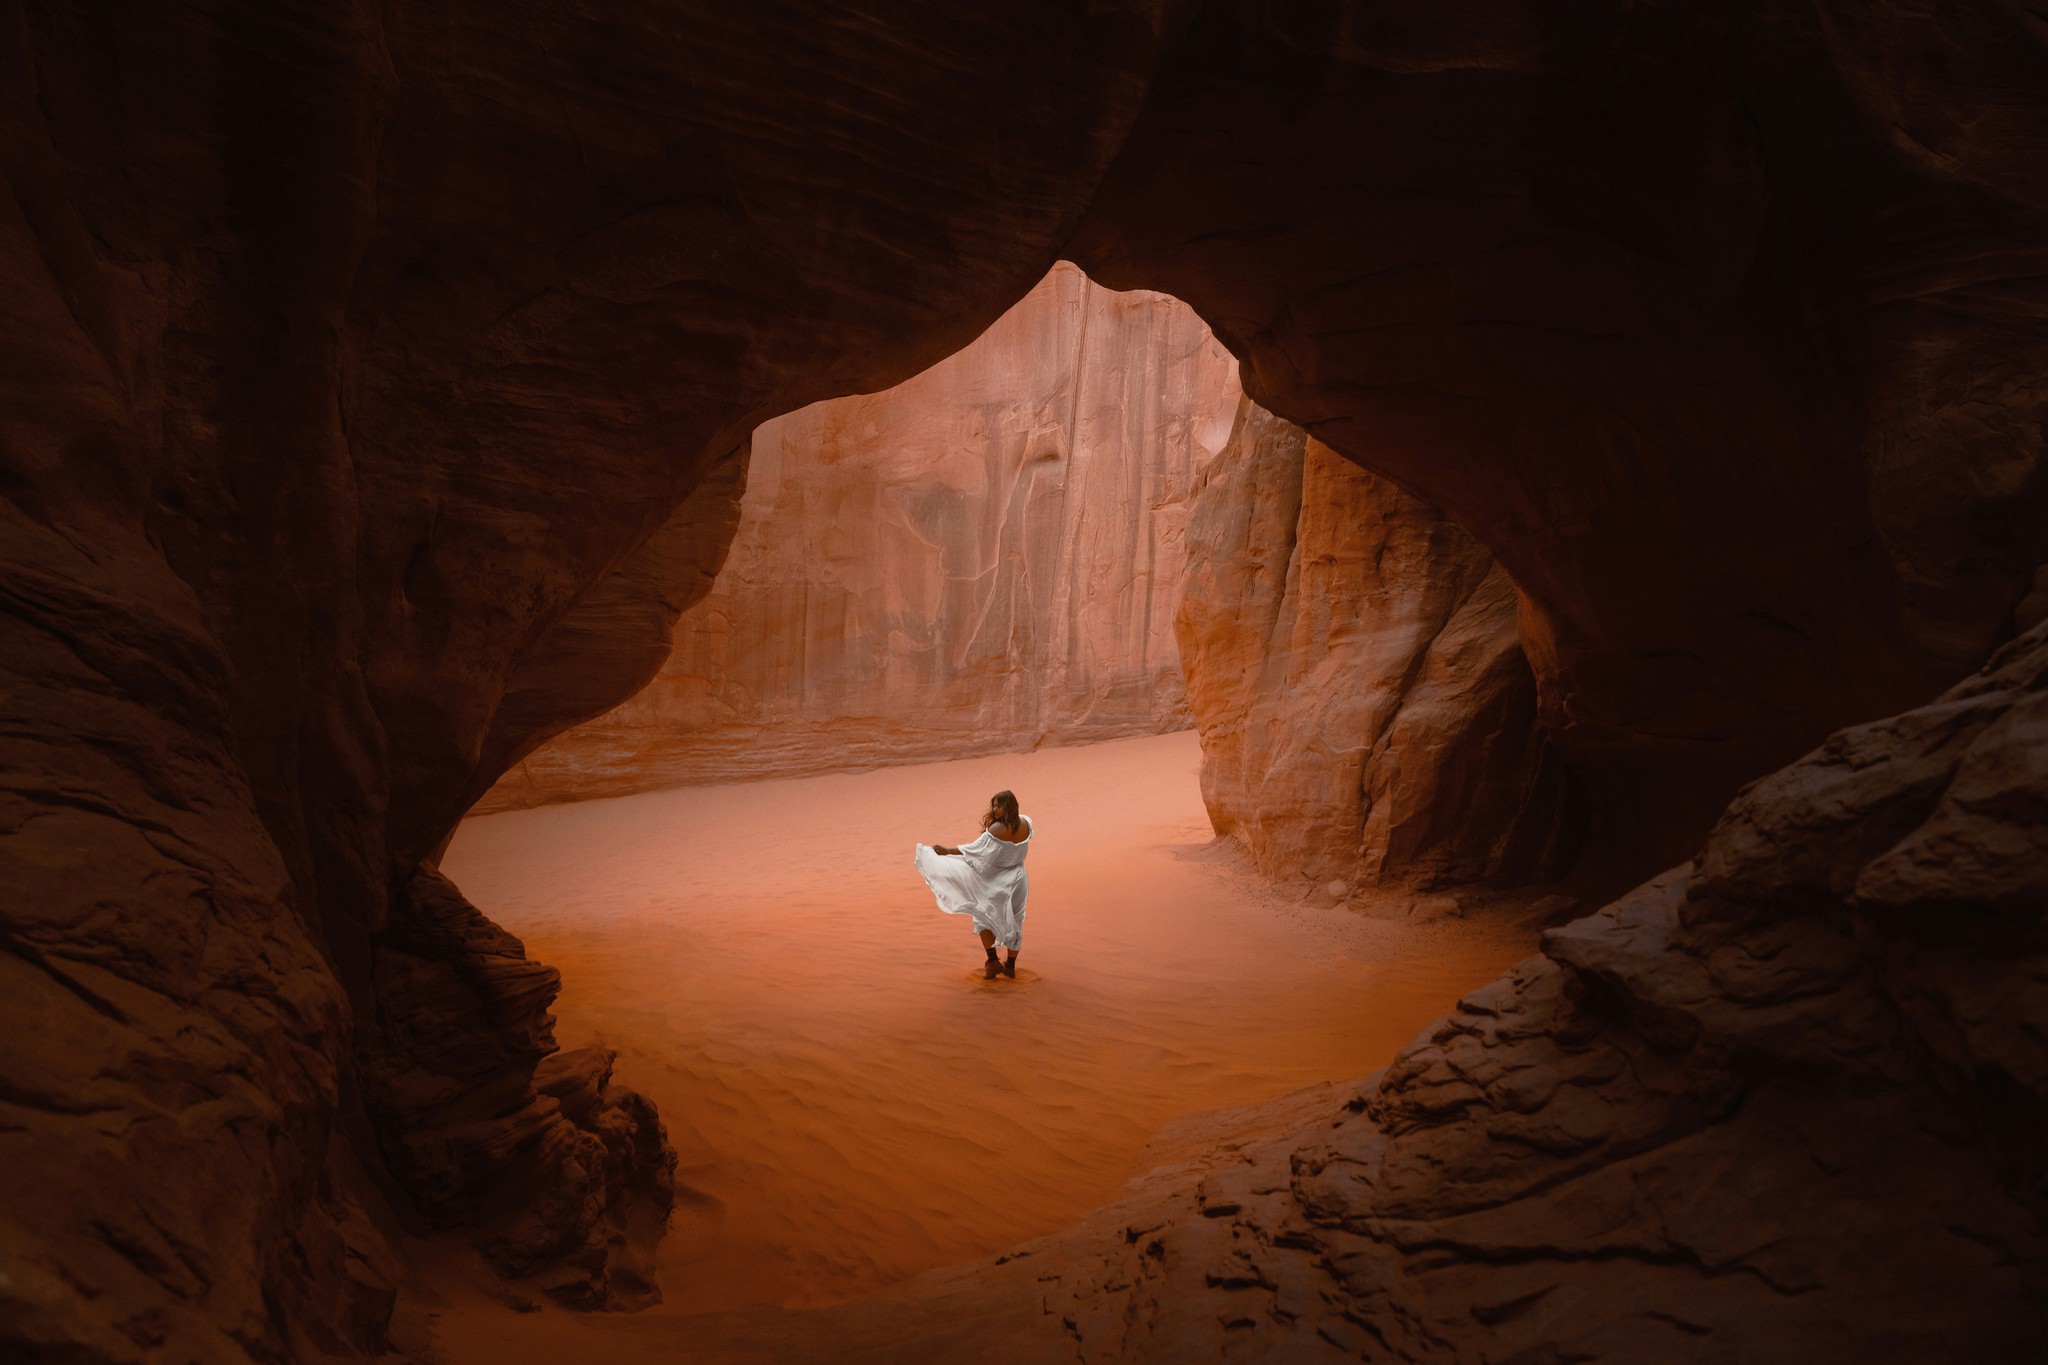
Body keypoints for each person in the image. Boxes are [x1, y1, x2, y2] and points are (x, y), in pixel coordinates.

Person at [914, 790, 1032, 979]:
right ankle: (1010, 966)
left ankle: (993, 962)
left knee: (982, 915)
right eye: (993, 805)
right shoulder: (1027, 823)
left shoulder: (996, 830)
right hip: (1019, 876)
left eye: (998, 805)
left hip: (996, 879)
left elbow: (974, 849)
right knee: (1017, 919)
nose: (994, 809)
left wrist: (946, 851)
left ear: (1007, 807)